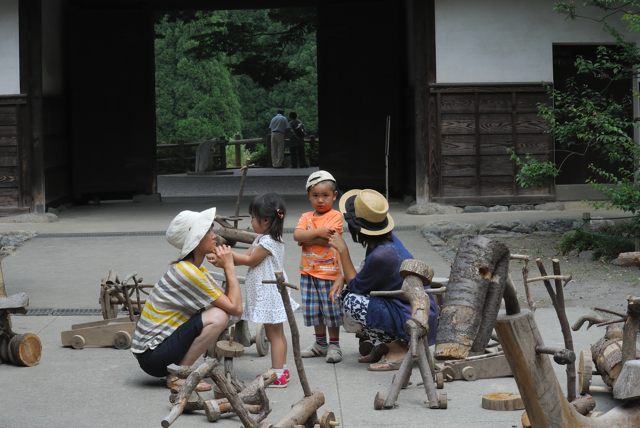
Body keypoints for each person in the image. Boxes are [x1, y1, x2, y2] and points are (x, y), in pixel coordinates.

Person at [131, 207, 243, 391]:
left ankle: (181, 370)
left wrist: (226, 267)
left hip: (154, 351)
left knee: (219, 312)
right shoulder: (189, 272)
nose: (214, 236)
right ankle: (178, 376)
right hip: (152, 355)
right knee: (219, 317)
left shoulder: (195, 269)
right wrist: (230, 267)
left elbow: (229, 302)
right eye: (208, 231)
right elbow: (236, 308)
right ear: (196, 240)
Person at [328, 189, 439, 371]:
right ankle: (385, 345)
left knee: (350, 300)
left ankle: (398, 350)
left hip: (413, 315)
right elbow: (366, 272)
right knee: (348, 295)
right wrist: (342, 276)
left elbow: (357, 287)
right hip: (404, 305)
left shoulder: (382, 254)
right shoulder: (383, 243)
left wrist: (343, 251)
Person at [230, 193, 299, 388]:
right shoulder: (263, 238)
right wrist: (230, 257)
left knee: (274, 334)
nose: (251, 221)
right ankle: (280, 369)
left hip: (270, 291)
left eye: (253, 217)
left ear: (266, 220)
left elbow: (250, 260)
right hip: (270, 290)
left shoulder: (269, 242)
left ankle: (278, 373)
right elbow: (246, 255)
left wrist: (227, 256)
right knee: (276, 333)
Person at [294, 170, 344, 363]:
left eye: (325, 195)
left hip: (330, 272)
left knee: (331, 310)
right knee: (314, 310)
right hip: (308, 272)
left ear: (334, 196)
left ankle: (334, 344)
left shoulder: (336, 216)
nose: (320, 200)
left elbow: (330, 240)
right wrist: (319, 233)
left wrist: (311, 236)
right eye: (315, 196)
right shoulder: (305, 216)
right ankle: (320, 344)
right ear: (308, 196)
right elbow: (297, 236)